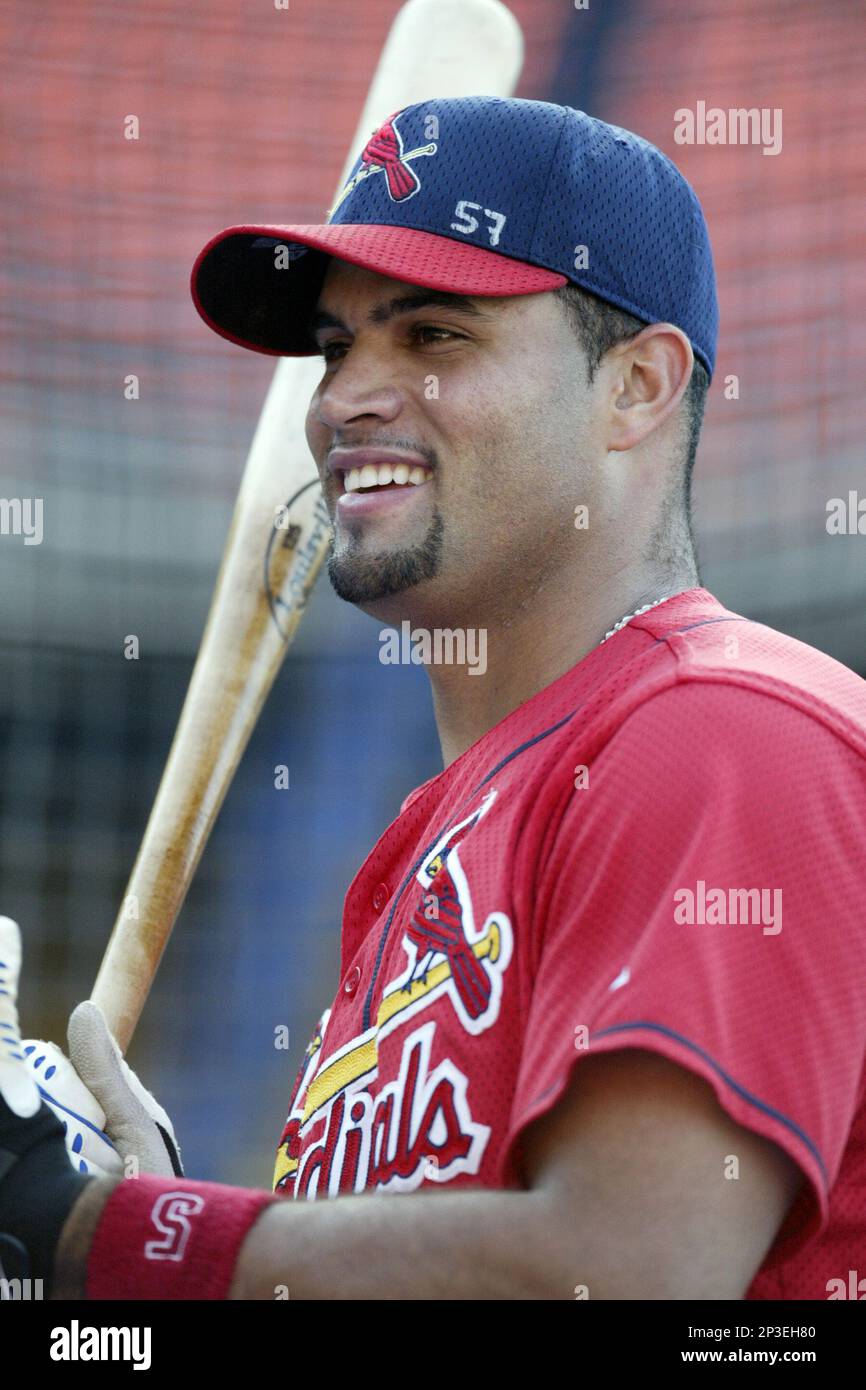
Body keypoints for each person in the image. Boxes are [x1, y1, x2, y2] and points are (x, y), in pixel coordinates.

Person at [2, 96, 865, 1301]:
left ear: (635, 387)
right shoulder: (435, 843)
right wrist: (148, 1243)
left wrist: (114, 1231)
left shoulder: (724, 733)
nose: (345, 396)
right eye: (335, 345)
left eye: (434, 337)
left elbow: (632, 1274)